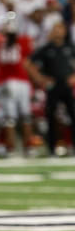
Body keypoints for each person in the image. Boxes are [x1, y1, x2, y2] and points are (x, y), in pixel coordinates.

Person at [0, 12, 35, 155]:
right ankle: (28, 147)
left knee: (10, 118)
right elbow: (27, 63)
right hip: (22, 81)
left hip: (5, 81)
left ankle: (12, 148)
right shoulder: (24, 40)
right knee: (25, 115)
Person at [27, 21, 75, 155]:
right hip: (52, 86)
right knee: (50, 116)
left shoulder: (70, 47)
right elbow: (29, 63)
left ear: (65, 31)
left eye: (60, 29)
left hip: (66, 86)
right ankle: (52, 147)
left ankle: (72, 145)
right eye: (56, 29)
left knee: (73, 114)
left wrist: (73, 77)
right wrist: (40, 79)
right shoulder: (47, 48)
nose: (58, 32)